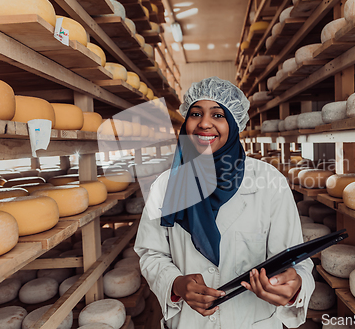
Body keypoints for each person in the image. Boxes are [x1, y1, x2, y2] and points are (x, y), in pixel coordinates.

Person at [134, 77, 314, 329]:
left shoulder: (268, 180)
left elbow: (295, 260)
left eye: (218, 115)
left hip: (253, 321)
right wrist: (176, 284)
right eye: (196, 113)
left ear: (233, 123)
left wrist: (294, 286)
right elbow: (151, 253)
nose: (204, 123)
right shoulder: (166, 185)